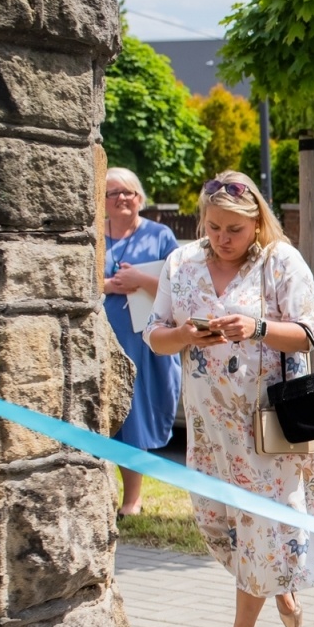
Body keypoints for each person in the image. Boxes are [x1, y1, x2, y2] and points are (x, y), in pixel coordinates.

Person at [144, 171, 314, 627]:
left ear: (257, 223)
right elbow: (154, 336)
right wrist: (184, 334)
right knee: (219, 527)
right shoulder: (181, 263)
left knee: (257, 531)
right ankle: (277, 582)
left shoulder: (281, 261)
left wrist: (256, 327)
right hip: (208, 428)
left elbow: (306, 337)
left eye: (234, 229)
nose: (222, 239)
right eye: (213, 227)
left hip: (265, 428)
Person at [101, 167, 181, 518]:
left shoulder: (160, 235)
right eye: (113, 192)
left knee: (136, 417)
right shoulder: (90, 237)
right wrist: (108, 286)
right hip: (103, 340)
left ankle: (132, 499)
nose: (122, 198)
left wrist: (140, 279)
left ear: (140, 199)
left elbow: (180, 287)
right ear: (101, 201)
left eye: (129, 192)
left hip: (146, 344)